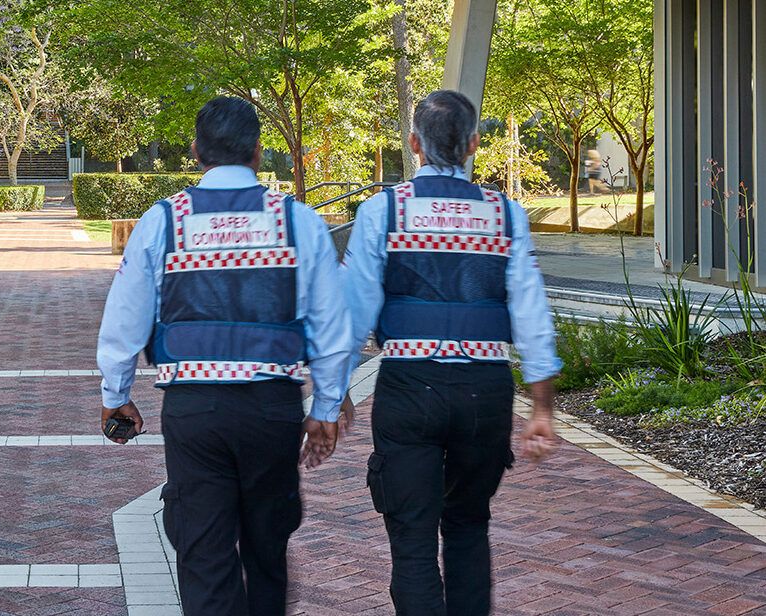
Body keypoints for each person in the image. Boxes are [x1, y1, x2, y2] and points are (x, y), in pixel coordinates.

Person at [97, 96, 353, 616]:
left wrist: (115, 395)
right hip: (271, 408)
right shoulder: (298, 222)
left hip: (195, 413)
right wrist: (325, 408)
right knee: (266, 551)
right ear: (259, 153)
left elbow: (124, 319)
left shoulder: (163, 222)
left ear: (195, 151)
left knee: (204, 553)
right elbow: (331, 326)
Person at [338, 90, 562, 616]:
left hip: (410, 388)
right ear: (473, 146)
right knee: (468, 525)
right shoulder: (505, 214)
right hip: (484, 392)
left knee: (412, 538)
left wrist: (334, 393)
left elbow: (354, 310)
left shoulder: (384, 211)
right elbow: (530, 312)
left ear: (414, 144)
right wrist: (542, 409)